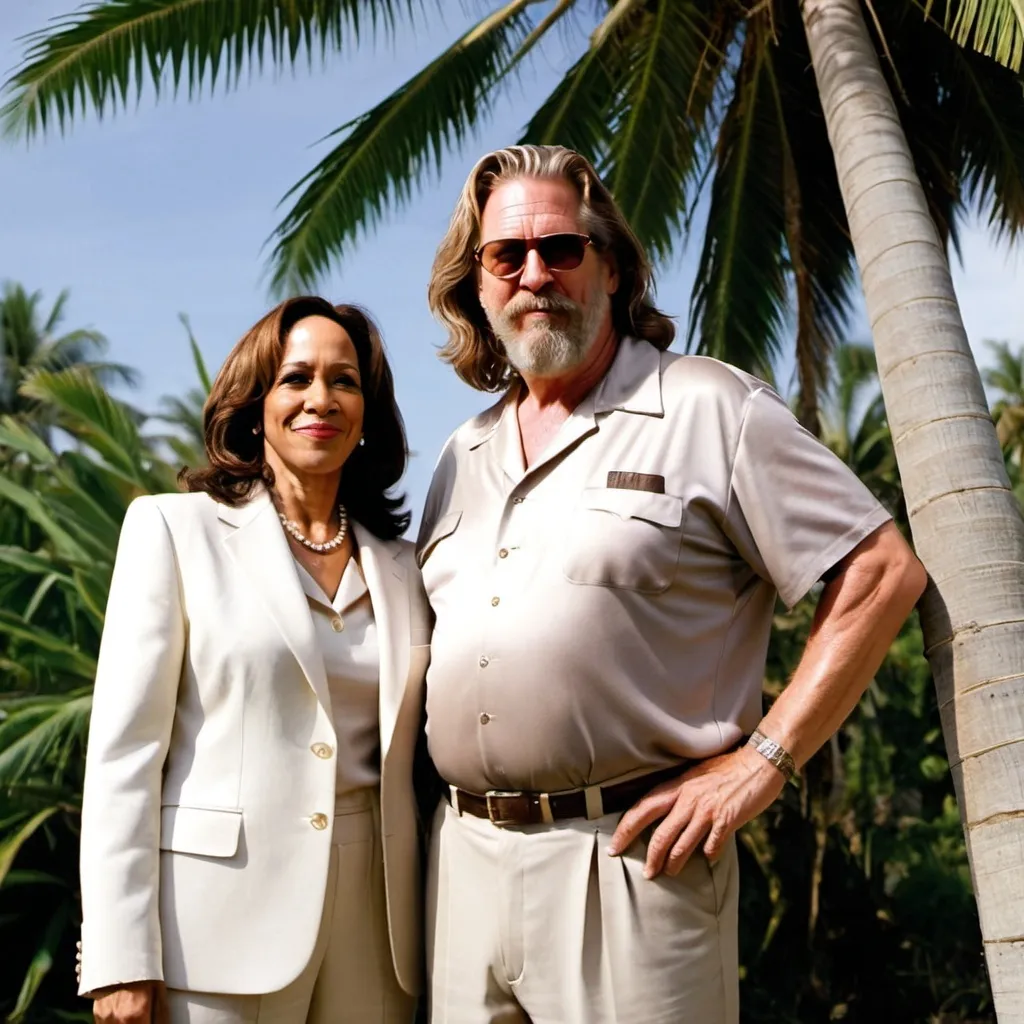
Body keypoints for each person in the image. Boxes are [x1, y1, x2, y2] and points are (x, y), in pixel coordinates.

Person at [416, 144, 927, 1023]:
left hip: (630, 864)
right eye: (507, 256)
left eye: (562, 249)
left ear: (611, 268)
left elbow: (881, 571)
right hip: (460, 867)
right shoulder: (459, 456)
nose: (535, 274)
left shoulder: (707, 407)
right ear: (480, 286)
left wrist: (763, 764)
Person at [77, 297, 427, 1024]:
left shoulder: (405, 567)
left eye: (345, 381)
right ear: (256, 402)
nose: (320, 399)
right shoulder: (175, 531)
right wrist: (119, 954)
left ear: (369, 411)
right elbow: (124, 755)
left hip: (379, 931)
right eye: (295, 378)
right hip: (214, 927)